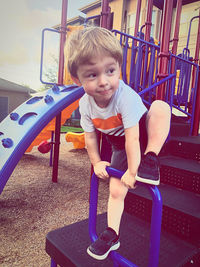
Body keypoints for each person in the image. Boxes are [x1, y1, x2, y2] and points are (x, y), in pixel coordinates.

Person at [65, 26, 171, 260]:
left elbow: (133, 138)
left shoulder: (125, 97)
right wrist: (96, 162)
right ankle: (112, 234)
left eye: (110, 71)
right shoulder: (85, 105)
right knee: (115, 189)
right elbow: (91, 136)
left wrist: (133, 171)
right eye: (92, 75)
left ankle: (151, 158)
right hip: (118, 143)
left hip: (143, 131)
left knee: (161, 107)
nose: (103, 82)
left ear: (119, 69)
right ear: (77, 78)